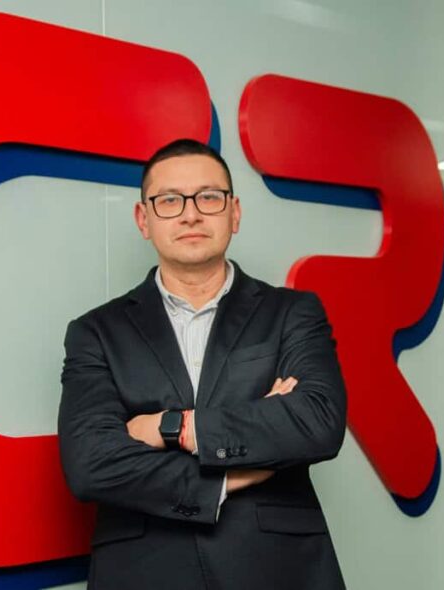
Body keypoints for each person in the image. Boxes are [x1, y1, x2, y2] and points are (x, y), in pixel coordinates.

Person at [58, 138, 348, 590]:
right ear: (144, 219)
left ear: (234, 212)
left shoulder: (292, 312)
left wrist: (171, 427)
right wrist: (231, 473)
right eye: (169, 200)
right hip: (144, 570)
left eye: (208, 197)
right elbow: (90, 463)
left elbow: (317, 422)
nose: (190, 214)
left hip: (277, 569)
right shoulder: (95, 332)